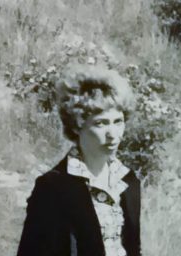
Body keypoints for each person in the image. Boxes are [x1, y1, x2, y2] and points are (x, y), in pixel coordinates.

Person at [18, 65, 141, 256]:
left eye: (118, 121)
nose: (112, 135)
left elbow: (133, 249)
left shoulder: (128, 181)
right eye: (100, 123)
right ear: (77, 125)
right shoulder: (53, 188)